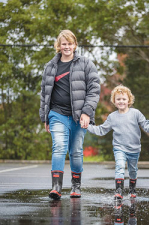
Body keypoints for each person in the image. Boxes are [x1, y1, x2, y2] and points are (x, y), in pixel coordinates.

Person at [39, 30, 100, 200]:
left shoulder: (86, 64)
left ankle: (76, 186)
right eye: (63, 44)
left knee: (76, 152)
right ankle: (56, 187)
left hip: (79, 116)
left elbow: (94, 90)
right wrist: (45, 117)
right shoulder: (50, 66)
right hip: (56, 114)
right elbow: (44, 93)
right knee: (58, 147)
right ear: (59, 46)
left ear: (75, 45)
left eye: (70, 43)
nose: (67, 47)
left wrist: (87, 112)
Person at [87, 85, 149, 200]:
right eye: (118, 99)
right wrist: (87, 127)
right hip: (119, 148)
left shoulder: (136, 113)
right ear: (114, 101)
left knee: (133, 170)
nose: (121, 101)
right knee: (119, 166)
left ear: (129, 100)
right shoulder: (112, 117)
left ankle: (132, 189)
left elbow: (146, 125)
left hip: (134, 149)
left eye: (124, 99)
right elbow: (101, 130)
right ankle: (118, 191)